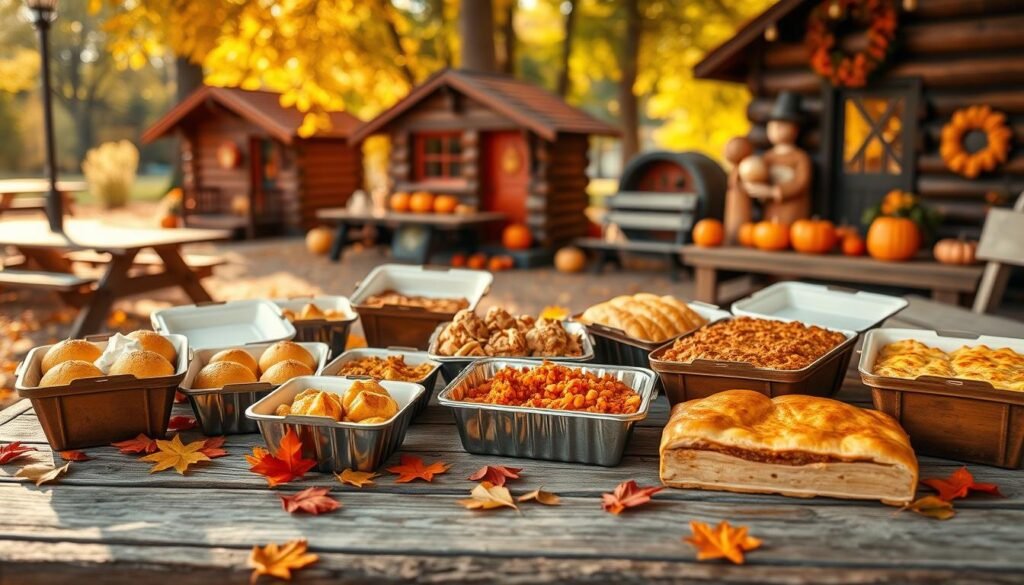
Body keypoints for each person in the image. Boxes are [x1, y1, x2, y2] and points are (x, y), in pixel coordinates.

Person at [742, 92, 812, 225]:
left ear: (795, 129)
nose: (775, 128)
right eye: (772, 125)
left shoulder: (800, 157)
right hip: (771, 215)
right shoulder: (767, 157)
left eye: (782, 124)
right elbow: (759, 174)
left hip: (792, 212)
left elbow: (800, 183)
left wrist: (773, 192)